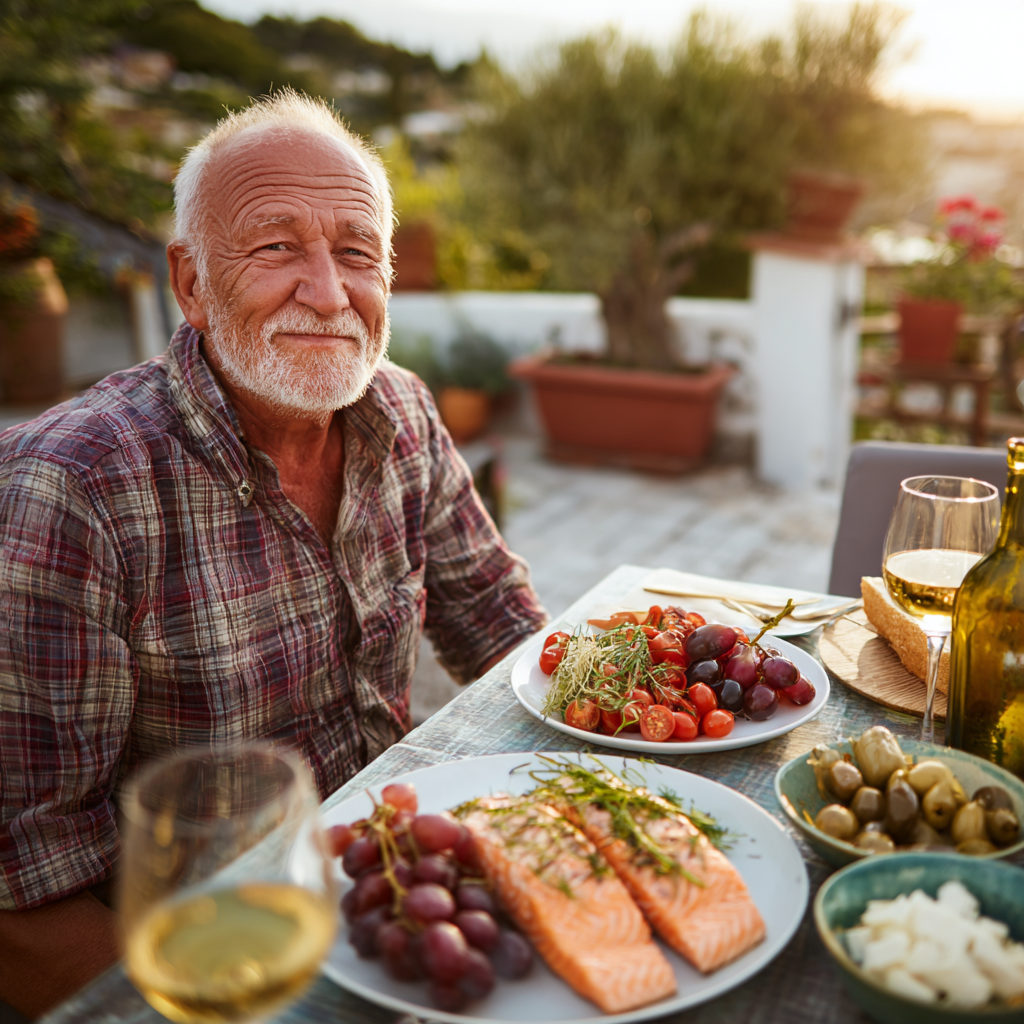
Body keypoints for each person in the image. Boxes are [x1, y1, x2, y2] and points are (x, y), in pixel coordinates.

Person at [0, 90, 547, 1017]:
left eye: (357, 252)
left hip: (387, 901)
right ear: (191, 284)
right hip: (212, 964)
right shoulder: (73, 487)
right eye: (276, 247)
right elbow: (23, 893)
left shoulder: (403, 410)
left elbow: (502, 627)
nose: (330, 294)